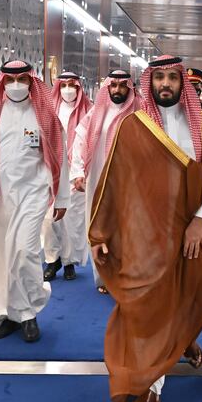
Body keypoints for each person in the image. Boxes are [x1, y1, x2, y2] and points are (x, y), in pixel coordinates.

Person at [88, 56, 202, 402]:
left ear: (181, 81)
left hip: (189, 226)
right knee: (143, 301)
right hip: (145, 232)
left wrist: (200, 220)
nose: (165, 84)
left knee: (187, 289)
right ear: (150, 83)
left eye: (172, 77)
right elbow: (113, 181)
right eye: (159, 78)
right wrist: (101, 231)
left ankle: (178, 341)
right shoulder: (132, 125)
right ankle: (148, 382)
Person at [0, 60, 68, 342]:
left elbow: (61, 157)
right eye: (10, 79)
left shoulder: (43, 114)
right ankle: (5, 315)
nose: (16, 84)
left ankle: (30, 311)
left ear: (32, 81)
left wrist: (62, 197)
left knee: (23, 253)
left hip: (32, 194)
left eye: (23, 78)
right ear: (2, 82)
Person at [70, 70, 140, 294]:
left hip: (129, 182)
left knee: (125, 228)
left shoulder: (140, 112)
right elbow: (80, 139)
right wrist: (78, 171)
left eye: (122, 86)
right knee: (99, 227)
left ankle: (124, 274)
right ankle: (103, 278)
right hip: (98, 179)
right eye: (113, 85)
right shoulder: (96, 113)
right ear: (107, 88)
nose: (117, 90)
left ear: (129, 88)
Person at [42, 71, 92, 281]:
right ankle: (53, 261)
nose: (67, 90)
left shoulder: (88, 111)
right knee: (50, 219)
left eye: (72, 85)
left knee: (72, 220)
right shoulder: (48, 109)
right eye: (63, 85)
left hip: (76, 174)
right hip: (51, 171)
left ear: (79, 88)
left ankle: (69, 262)